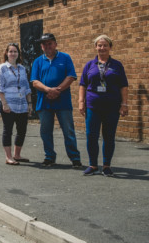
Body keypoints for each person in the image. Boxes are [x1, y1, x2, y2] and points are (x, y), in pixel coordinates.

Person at [78, 35, 128, 177]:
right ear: (95, 47)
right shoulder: (89, 65)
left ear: (110, 47)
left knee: (109, 136)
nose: (102, 48)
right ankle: (93, 165)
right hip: (93, 106)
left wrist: (124, 104)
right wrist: (81, 102)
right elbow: (83, 85)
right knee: (91, 136)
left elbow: (123, 86)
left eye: (105, 45)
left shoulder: (117, 65)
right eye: (99, 45)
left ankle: (106, 165)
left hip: (112, 107)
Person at [30, 33, 82, 168]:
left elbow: (71, 76)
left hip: (63, 100)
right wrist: (48, 90)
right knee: (45, 131)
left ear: (55, 44)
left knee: (68, 130)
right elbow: (35, 82)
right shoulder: (38, 61)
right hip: (44, 100)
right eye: (44, 44)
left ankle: (75, 158)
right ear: (41, 47)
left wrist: (57, 90)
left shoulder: (65, 58)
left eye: (50, 43)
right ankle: (49, 157)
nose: (47, 46)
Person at [0, 43, 33, 165]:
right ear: (6, 53)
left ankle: (17, 155)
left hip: (22, 104)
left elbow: (26, 87)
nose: (13, 53)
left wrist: (29, 103)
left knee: (22, 130)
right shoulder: (2, 68)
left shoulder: (22, 68)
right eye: (10, 51)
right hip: (8, 104)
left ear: (18, 54)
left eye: (15, 51)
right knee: (8, 130)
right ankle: (8, 157)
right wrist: (4, 103)